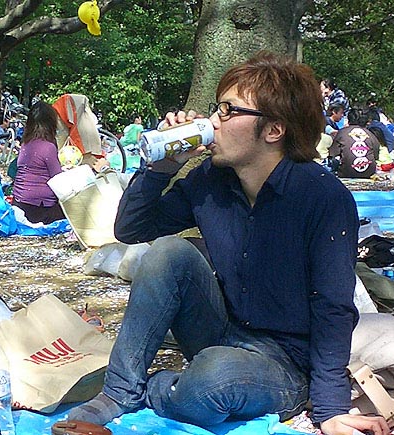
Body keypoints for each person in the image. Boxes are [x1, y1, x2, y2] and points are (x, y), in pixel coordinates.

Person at [68, 52, 390, 435]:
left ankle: (161, 387)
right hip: (224, 328)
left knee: (211, 382)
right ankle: (120, 391)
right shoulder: (211, 180)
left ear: (274, 130)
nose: (213, 122)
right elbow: (132, 229)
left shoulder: (322, 198)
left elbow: (333, 308)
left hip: (287, 361)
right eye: (217, 109)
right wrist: (161, 167)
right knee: (169, 253)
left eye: (227, 110)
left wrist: (331, 408)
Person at [12, 101, 66, 224]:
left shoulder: (26, 144)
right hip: (39, 208)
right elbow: (58, 179)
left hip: (19, 203)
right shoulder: (48, 147)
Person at [328, 109, 380, 178]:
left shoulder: (342, 132)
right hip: (369, 172)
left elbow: (332, 154)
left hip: (347, 172)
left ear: (348, 120)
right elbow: (376, 155)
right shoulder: (369, 133)